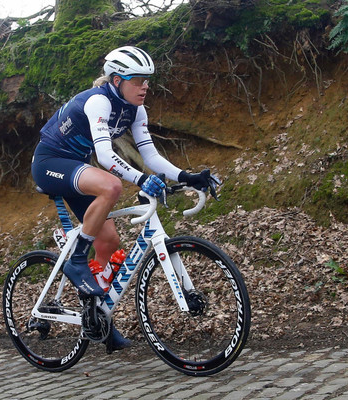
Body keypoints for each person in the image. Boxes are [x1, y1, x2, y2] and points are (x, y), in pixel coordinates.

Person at [31, 46, 213, 350]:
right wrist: (140, 179)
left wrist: (186, 176)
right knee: (112, 187)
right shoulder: (99, 101)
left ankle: (98, 320)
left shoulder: (136, 109)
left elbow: (150, 155)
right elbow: (104, 155)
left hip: (77, 166)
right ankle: (77, 260)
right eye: (138, 80)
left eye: (147, 81)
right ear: (116, 80)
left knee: (109, 241)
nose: (145, 87)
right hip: (49, 163)